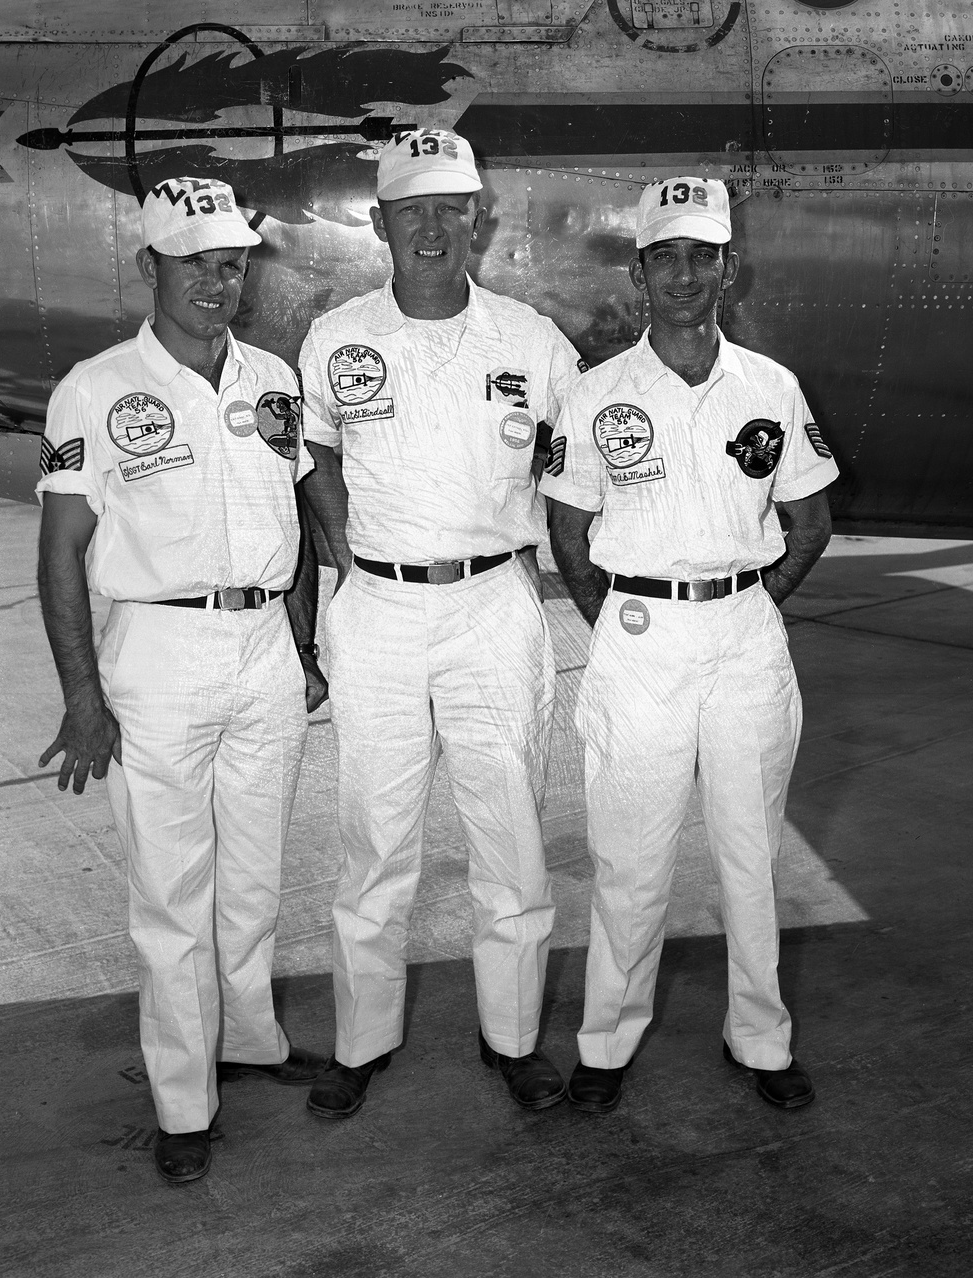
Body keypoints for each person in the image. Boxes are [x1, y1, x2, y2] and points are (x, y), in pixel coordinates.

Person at [36, 177, 329, 1184]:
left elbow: (291, 534)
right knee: (172, 896)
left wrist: (305, 649)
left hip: (262, 657)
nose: (217, 277)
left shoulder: (274, 379)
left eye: (231, 258)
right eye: (193, 259)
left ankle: (247, 1043)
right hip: (155, 660)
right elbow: (61, 550)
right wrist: (83, 696)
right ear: (149, 266)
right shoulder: (95, 387)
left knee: (251, 879)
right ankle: (181, 1101)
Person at [297, 128, 584, 1117]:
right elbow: (318, 459)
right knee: (373, 840)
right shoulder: (336, 337)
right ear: (380, 223)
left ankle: (511, 1041)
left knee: (507, 833)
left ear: (478, 220)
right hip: (374, 606)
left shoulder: (534, 343)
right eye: (409, 208)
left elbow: (576, 469)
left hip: (491, 604)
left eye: (447, 207)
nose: (430, 226)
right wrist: (346, 562)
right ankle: (361, 1042)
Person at [542, 176, 838, 1114]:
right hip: (640, 639)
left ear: (728, 269)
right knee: (632, 858)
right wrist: (621, 617)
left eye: (701, 256)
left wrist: (756, 597)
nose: (682, 274)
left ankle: (761, 1038)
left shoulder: (772, 387)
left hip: (745, 635)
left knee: (752, 851)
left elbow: (810, 519)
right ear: (639, 273)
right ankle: (605, 1045)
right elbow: (568, 529)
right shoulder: (595, 395)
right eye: (664, 256)